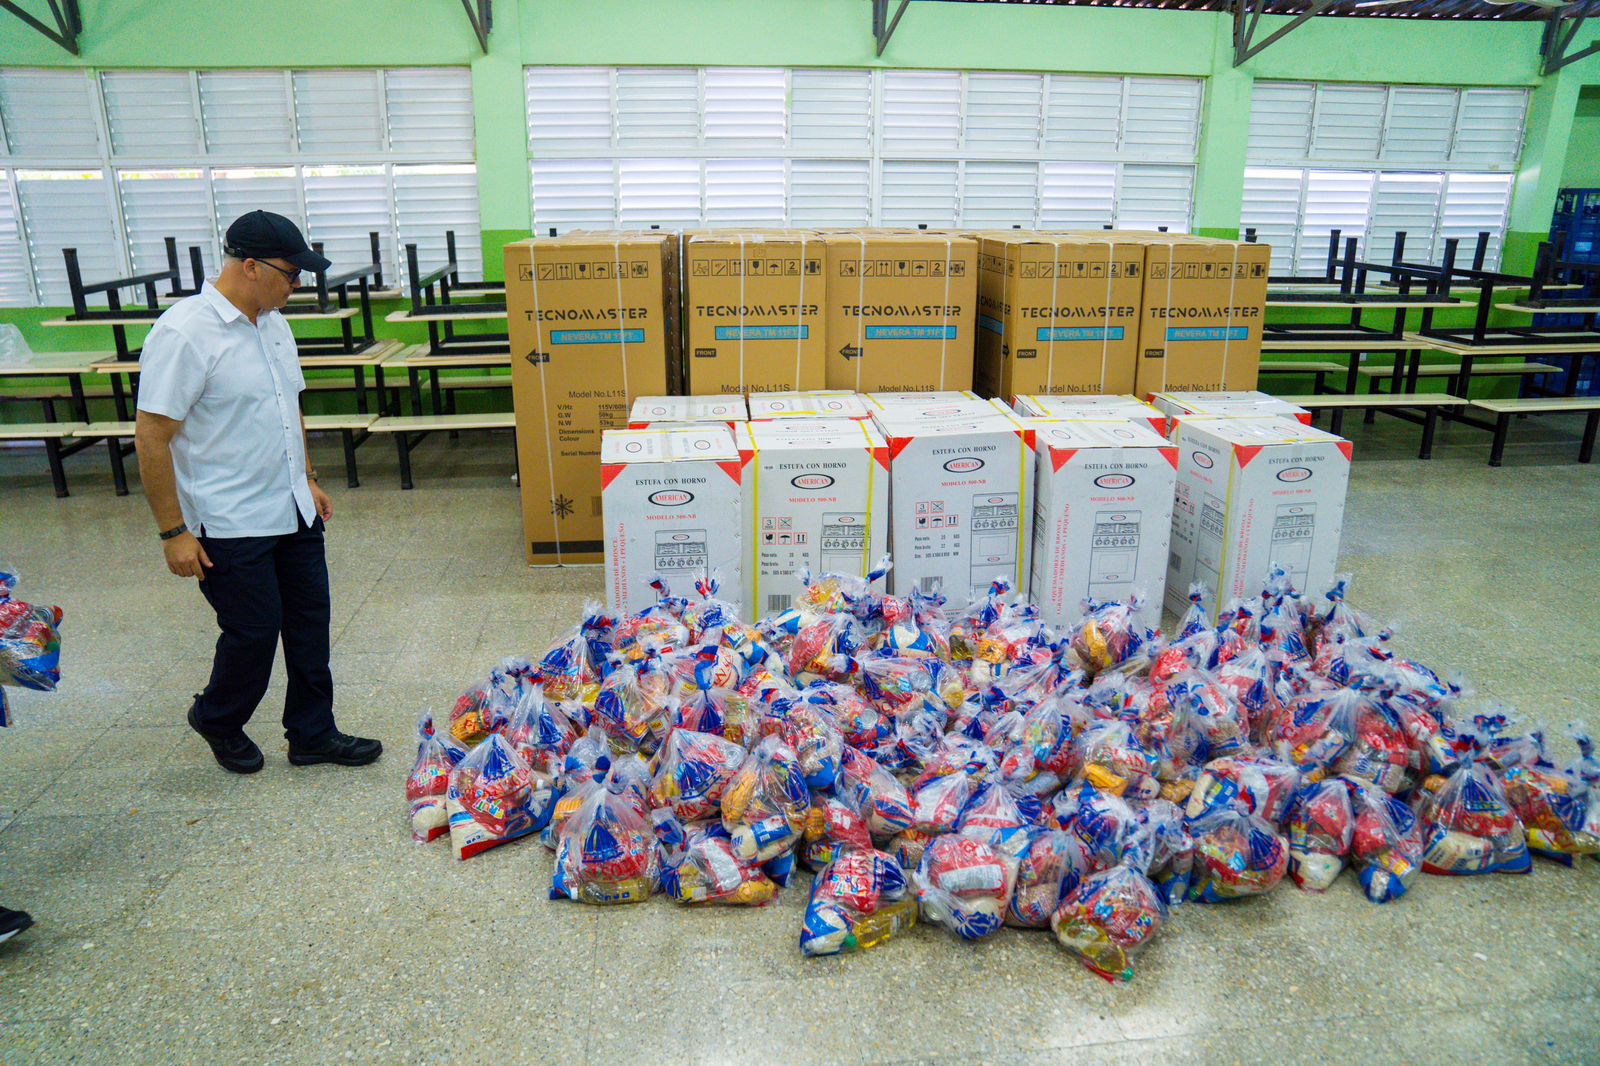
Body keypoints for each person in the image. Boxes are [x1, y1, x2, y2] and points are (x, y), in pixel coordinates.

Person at [133, 211, 381, 774]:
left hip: (291, 506)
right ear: (249, 266)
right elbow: (152, 435)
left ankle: (314, 733)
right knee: (253, 632)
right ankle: (218, 716)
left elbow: (287, 402)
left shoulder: (273, 323)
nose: (298, 285)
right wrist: (173, 532)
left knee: (309, 622)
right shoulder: (184, 333)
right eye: (291, 274)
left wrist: (309, 476)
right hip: (230, 518)